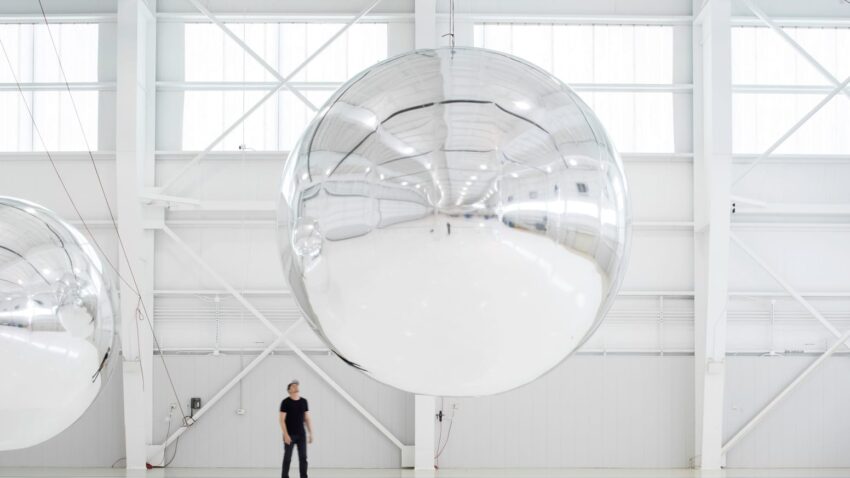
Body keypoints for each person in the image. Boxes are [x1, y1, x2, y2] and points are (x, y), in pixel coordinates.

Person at [280, 379, 313, 478]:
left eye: (297, 385)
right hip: (289, 434)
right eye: (293, 386)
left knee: (303, 458)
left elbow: (307, 418)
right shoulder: (285, 402)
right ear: (289, 390)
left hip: (301, 435)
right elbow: (281, 420)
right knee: (287, 458)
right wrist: (285, 434)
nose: (296, 387)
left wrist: (311, 433)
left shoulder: (304, 401)